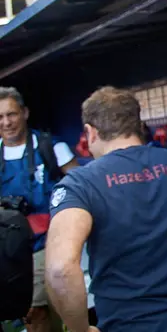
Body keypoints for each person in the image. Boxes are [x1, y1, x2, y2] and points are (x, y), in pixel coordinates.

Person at [44, 87, 167, 332]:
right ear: (137, 124)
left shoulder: (80, 184)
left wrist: (79, 329)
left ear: (90, 132)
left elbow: (60, 269)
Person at [0, 86, 79, 332]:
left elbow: (83, 186)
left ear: (25, 112)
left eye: (11, 114)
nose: (6, 122)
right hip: (7, 248)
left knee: (37, 311)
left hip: (47, 242)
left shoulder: (51, 147)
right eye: (0, 117)